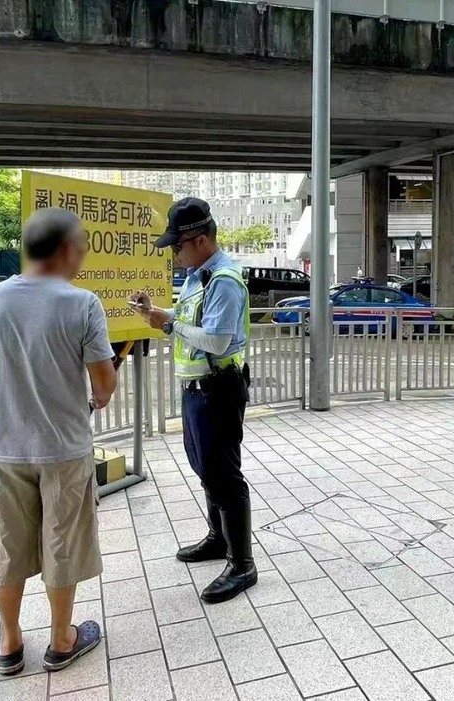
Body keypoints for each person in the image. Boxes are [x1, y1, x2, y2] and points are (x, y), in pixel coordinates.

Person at [0, 208, 117, 676]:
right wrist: (97, 395)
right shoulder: (82, 303)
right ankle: (61, 640)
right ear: (67, 249)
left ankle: (9, 643)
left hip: (7, 447)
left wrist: (15, 396)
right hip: (66, 447)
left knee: (8, 544)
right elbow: (104, 383)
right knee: (63, 541)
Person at [130, 197, 256, 604]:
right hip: (198, 389)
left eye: (177, 247)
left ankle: (242, 564)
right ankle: (218, 540)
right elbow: (191, 324)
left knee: (224, 474)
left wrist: (167, 323)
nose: (173, 254)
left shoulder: (223, 280)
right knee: (205, 466)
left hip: (218, 388)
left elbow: (216, 340)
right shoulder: (198, 277)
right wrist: (159, 312)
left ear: (200, 240)